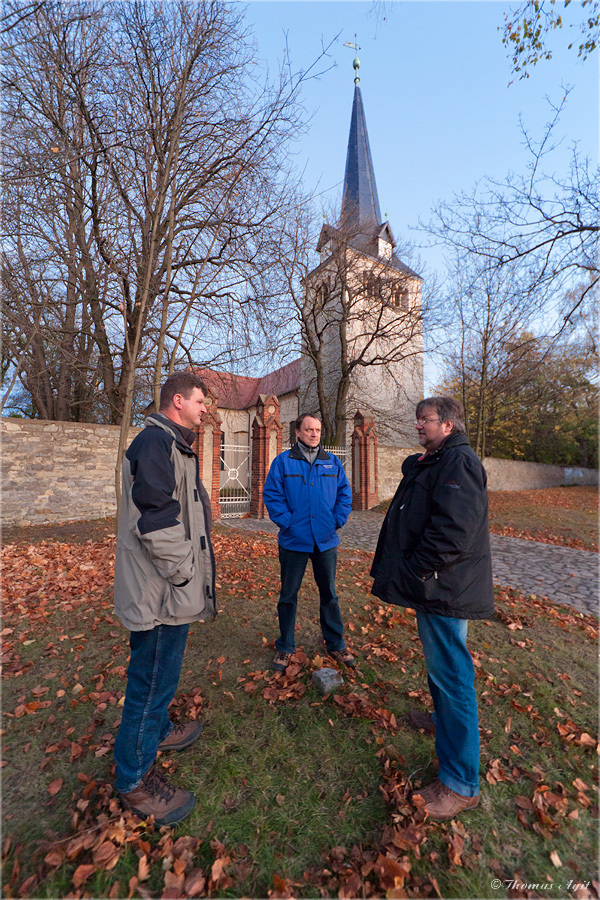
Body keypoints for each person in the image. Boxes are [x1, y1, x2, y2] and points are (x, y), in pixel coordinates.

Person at [370, 396, 493, 820]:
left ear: (449, 424)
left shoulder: (458, 462)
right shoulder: (438, 459)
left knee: (452, 674)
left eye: (426, 420)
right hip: (437, 586)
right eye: (418, 419)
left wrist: (416, 571)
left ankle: (461, 783)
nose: (418, 425)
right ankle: (442, 721)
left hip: (444, 587)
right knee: (443, 667)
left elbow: (453, 532)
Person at [113, 371, 216, 826]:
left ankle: (157, 732)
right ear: (178, 401)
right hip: (160, 591)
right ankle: (133, 781)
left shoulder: (173, 444)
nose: (205, 409)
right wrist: (185, 572)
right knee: (150, 683)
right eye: (200, 401)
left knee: (162, 674)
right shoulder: (156, 444)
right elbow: (156, 518)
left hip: (170, 589)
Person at [263, 412, 354, 672]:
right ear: (298, 433)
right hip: (294, 540)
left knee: (330, 595)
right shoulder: (283, 462)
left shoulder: (332, 463)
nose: (314, 434)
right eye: (309, 429)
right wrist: (288, 522)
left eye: (317, 430)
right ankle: (285, 646)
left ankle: (335, 642)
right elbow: (272, 495)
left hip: (325, 540)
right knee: (288, 596)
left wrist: (336, 520)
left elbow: (344, 495)